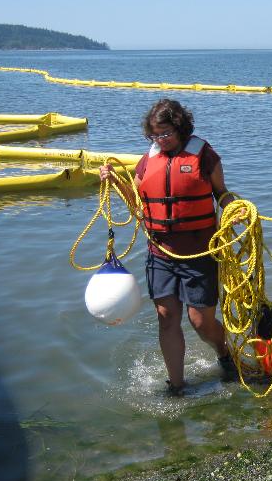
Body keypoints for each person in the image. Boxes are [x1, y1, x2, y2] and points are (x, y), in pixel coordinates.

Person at [99, 99, 236, 396]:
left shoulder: (205, 156)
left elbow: (221, 194)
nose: (160, 141)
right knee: (166, 317)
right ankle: (176, 385)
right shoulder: (148, 160)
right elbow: (136, 201)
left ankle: (224, 351)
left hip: (199, 253)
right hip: (160, 253)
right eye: (154, 136)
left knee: (200, 321)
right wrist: (113, 181)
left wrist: (234, 208)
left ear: (180, 127)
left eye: (165, 134)